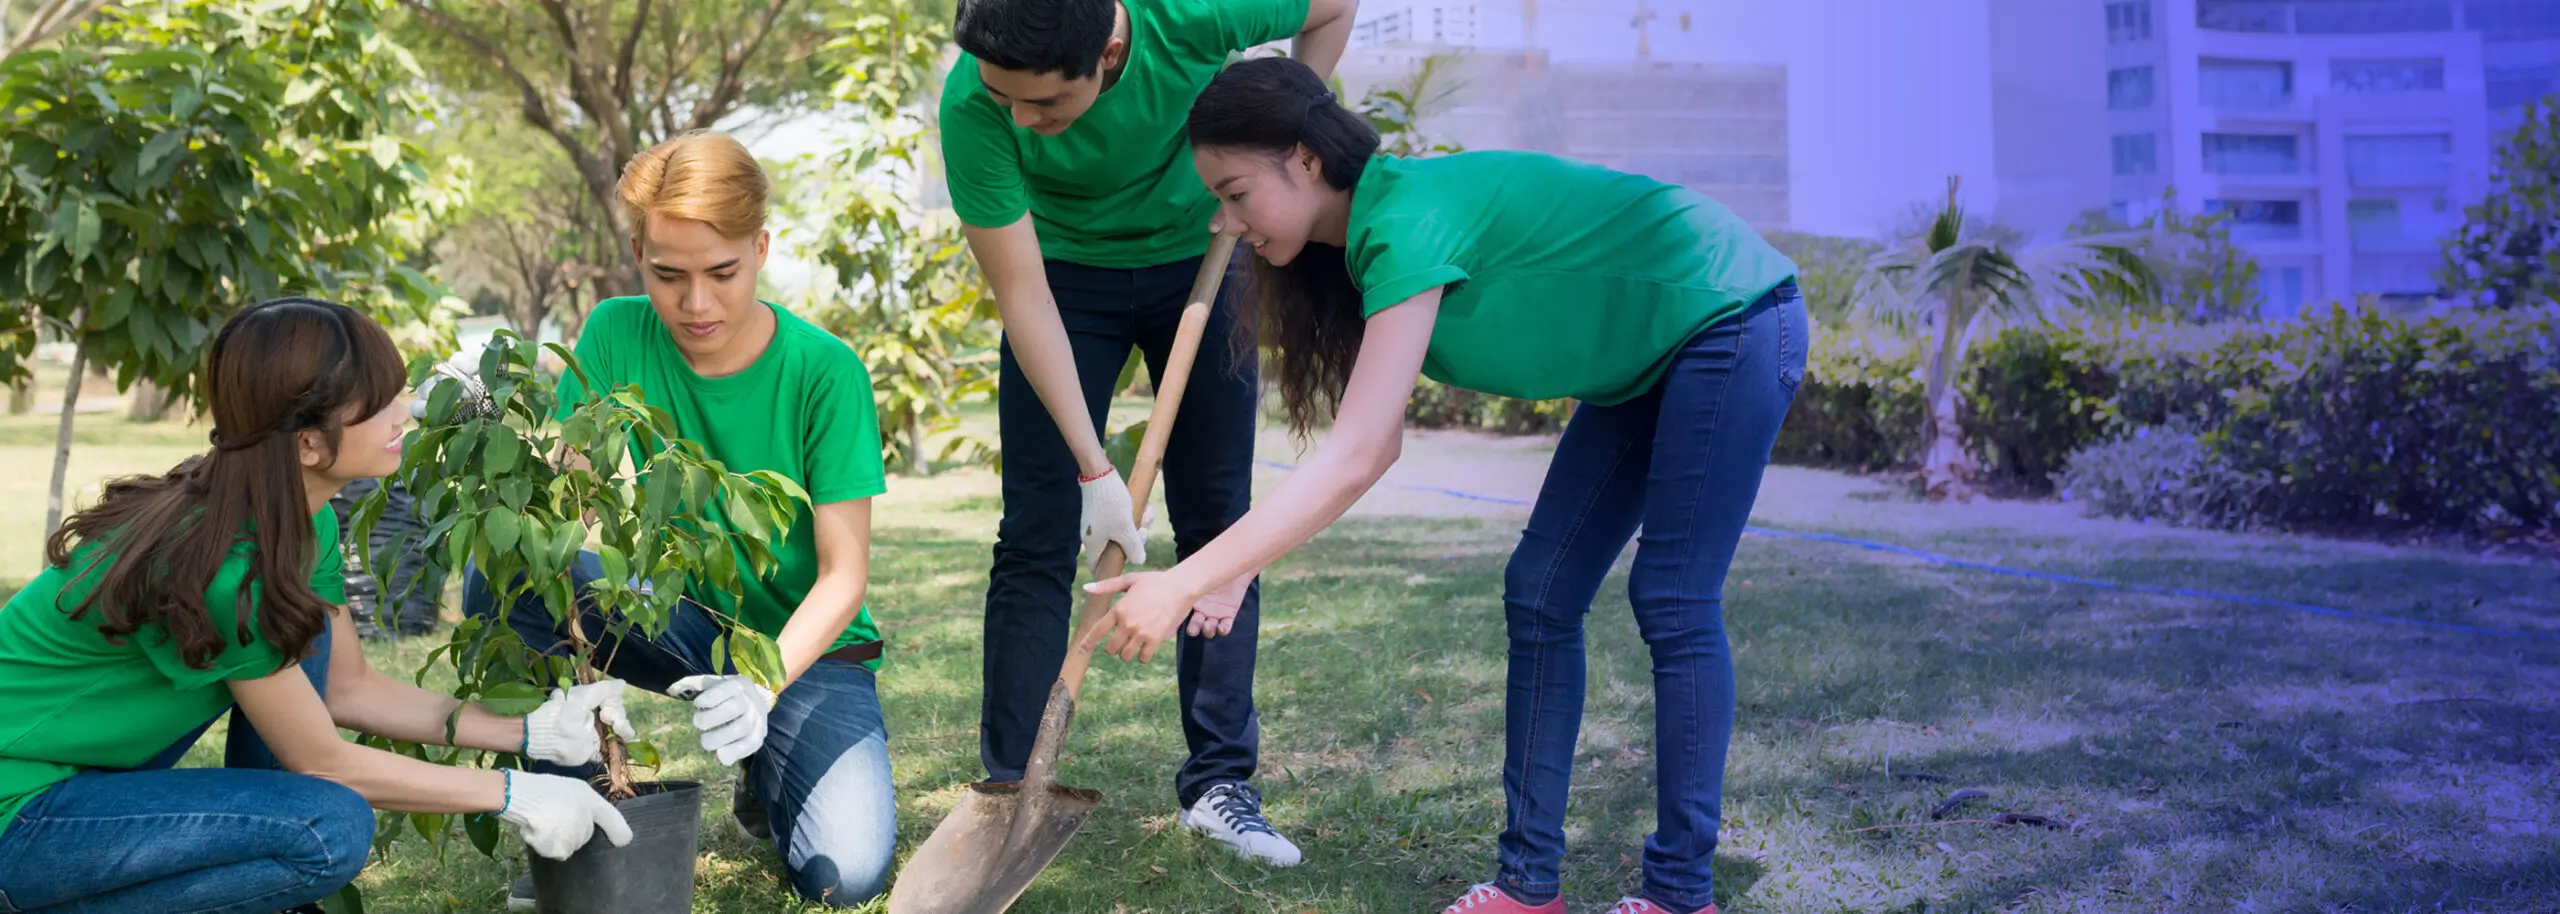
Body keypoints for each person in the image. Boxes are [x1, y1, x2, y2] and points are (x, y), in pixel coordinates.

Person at [1082, 57, 1810, 914]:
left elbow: (1359, 453)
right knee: (1540, 593)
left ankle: (1682, 895)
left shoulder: (1408, 218)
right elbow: (1369, 443)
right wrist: (1234, 567)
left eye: (1237, 193)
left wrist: (1186, 577)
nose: (1226, 222)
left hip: (1727, 316)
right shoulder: (1361, 249)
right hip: (1646, 363)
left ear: (1306, 161)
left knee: (1674, 598)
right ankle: (1527, 888)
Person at [0, 298, 633, 914]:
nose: (404, 412)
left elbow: (344, 687)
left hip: (91, 780)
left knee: (309, 645)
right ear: (307, 444)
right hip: (21, 811)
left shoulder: (295, 522)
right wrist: (513, 791)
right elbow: (321, 762)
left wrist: (531, 730)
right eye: (379, 404)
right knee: (326, 829)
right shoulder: (226, 566)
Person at [937, 0, 1356, 866]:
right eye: (1004, 98)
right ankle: (1012, 784)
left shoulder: (1192, 13)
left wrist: (1271, 157)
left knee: (1219, 526)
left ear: (1110, 50)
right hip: (1061, 282)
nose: (1021, 119)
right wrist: (1095, 469)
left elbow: (1336, 4)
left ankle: (1219, 785)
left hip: (1200, 258)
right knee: (1035, 533)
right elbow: (1022, 296)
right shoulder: (973, 104)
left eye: (1044, 105)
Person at [464, 131, 897, 909]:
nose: (697, 304)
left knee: (845, 877)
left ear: (760, 248)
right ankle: (578, 817)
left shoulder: (825, 371)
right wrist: (503, 450)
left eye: (723, 272)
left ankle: (765, 770)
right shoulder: (615, 331)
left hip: (804, 648)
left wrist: (761, 687)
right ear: (637, 253)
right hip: (679, 617)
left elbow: (844, 575)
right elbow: (567, 503)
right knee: (516, 575)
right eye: (668, 276)